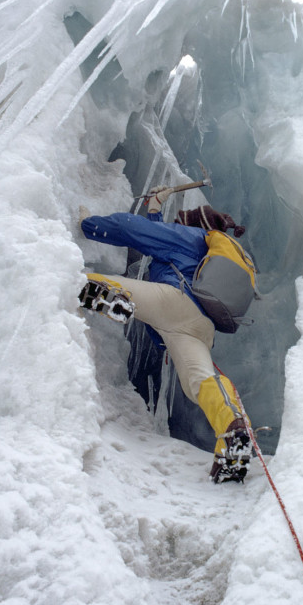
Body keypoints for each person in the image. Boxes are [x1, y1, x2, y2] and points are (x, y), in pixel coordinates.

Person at [78, 190, 252, 483]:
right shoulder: (207, 255)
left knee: (84, 283)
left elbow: (136, 229)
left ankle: (110, 298)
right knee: (198, 381)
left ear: (194, 225)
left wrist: (89, 224)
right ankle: (232, 427)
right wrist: (155, 208)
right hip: (198, 328)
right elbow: (160, 249)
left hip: (174, 303)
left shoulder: (190, 237)